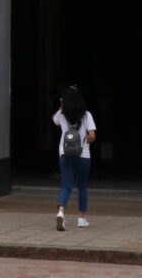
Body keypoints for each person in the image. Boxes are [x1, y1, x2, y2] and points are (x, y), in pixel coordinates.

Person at [52, 85, 96, 231]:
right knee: (82, 186)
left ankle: (61, 212)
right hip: (83, 155)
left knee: (66, 185)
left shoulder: (61, 114)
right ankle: (81, 218)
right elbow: (92, 136)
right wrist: (86, 138)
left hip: (65, 154)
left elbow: (55, 121)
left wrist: (61, 104)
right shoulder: (87, 115)